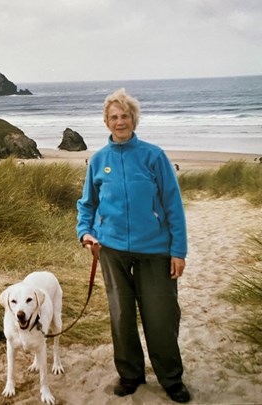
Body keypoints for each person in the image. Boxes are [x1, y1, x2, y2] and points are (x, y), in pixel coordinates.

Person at [76, 88, 191, 403]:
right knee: (121, 316)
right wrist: (84, 232)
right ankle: (130, 375)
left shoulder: (154, 156)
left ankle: (170, 379)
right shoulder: (99, 160)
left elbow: (173, 206)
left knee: (161, 317)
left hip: (155, 250)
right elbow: (87, 204)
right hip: (111, 251)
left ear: (134, 119)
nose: (120, 121)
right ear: (106, 122)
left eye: (125, 115)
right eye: (113, 117)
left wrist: (178, 251)